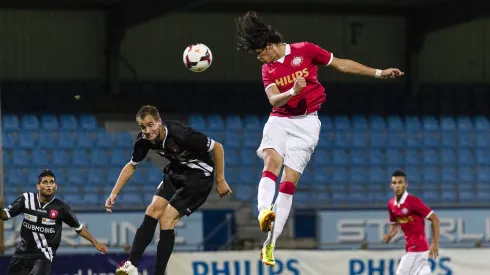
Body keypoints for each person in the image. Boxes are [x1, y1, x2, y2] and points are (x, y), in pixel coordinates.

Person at [235, 11, 405, 266]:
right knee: (271, 162)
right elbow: (273, 99)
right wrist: (293, 90)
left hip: (307, 124)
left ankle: (270, 244)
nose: (260, 58)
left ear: (268, 46)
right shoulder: (268, 69)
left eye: (260, 53)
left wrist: (380, 73)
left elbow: (343, 65)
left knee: (288, 184)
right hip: (280, 120)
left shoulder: (305, 50)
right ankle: (263, 212)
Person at [106, 105, 232, 275]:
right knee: (152, 210)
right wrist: (114, 193)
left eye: (151, 125)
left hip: (199, 177)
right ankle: (131, 264)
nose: (147, 131)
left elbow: (218, 147)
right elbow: (132, 166)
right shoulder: (143, 140)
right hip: (176, 171)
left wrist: (220, 179)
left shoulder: (180, 134)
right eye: (143, 127)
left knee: (166, 219)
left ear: (159, 122)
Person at [1, 169, 108, 275]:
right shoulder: (26, 199)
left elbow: (79, 228)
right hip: (22, 254)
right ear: (38, 186)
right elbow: (5, 215)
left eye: (52, 182)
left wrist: (95, 243)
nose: (49, 185)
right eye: (45, 182)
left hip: (43, 255)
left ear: (55, 187)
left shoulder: (61, 208)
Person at [383, 170, 440, 275]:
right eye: (394, 183)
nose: (397, 186)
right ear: (391, 185)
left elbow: (435, 219)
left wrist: (435, 243)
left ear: (406, 184)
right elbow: (395, 224)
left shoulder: (413, 202)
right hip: (414, 249)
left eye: (400, 182)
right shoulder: (391, 204)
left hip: (416, 250)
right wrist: (390, 235)